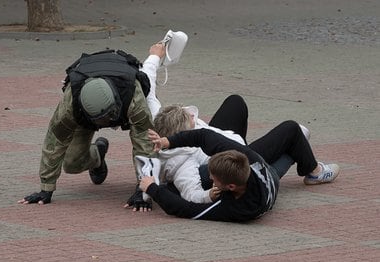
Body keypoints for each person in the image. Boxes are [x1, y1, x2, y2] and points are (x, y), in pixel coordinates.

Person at [18, 42, 166, 205]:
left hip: (124, 98)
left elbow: (144, 143)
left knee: (155, 139)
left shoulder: (134, 98)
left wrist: (144, 190)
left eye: (108, 118)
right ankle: (98, 156)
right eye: (100, 120)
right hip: (85, 115)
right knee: (72, 164)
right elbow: (54, 144)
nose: (105, 124)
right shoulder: (70, 106)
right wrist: (46, 188)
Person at [138, 121, 340, 222]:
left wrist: (152, 188)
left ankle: (301, 155)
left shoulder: (239, 209)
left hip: (271, 183)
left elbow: (185, 210)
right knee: (292, 128)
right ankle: (301, 150)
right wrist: (169, 141)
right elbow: (204, 136)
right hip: (260, 166)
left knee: (283, 161)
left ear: (230, 187)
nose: (209, 176)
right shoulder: (245, 158)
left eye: (213, 178)